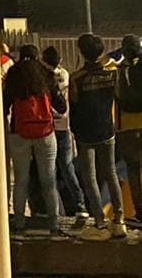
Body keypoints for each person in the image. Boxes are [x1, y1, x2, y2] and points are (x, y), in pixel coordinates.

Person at [68, 33, 125, 240]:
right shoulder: (112, 73)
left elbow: (73, 107)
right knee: (110, 172)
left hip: (85, 133)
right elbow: (118, 98)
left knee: (89, 176)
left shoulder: (76, 78)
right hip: (106, 130)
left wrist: (75, 131)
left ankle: (99, 220)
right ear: (101, 51)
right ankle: (119, 219)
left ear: (82, 52)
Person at [3, 45, 64, 235]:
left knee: (21, 179)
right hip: (45, 132)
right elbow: (61, 106)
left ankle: (19, 222)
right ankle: (54, 224)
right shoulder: (46, 73)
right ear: (37, 57)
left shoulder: (14, 73)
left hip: (19, 132)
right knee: (49, 180)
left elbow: (4, 104)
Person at [114, 34, 142, 228]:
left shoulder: (117, 72)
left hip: (127, 126)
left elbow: (116, 97)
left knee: (133, 168)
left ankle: (138, 212)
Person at [41, 46, 88, 226]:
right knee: (67, 168)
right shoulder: (65, 74)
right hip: (64, 126)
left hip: (48, 127)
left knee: (49, 170)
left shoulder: (44, 78)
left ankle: (53, 210)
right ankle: (80, 204)